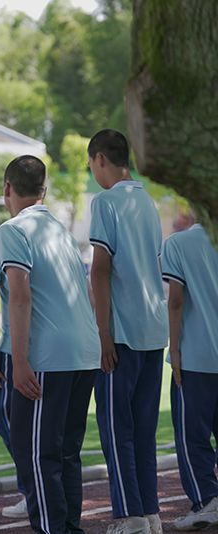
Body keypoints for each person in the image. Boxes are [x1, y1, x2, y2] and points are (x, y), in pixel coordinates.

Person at [0, 155, 100, 534]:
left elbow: (19, 294)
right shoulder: (61, 231)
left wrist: (20, 360)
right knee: (65, 452)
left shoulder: (12, 230)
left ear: (7, 189)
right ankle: (69, 526)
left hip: (46, 356)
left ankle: (54, 528)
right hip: (83, 352)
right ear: (44, 191)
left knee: (36, 454)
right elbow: (85, 291)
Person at [88, 129, 168, 534]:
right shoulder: (148, 202)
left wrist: (102, 332)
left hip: (121, 332)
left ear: (100, 158)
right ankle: (149, 513)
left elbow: (100, 269)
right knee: (143, 431)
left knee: (117, 430)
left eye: (91, 164)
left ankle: (129, 515)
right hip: (154, 329)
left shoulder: (105, 202)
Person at [161, 214, 218, 531]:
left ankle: (207, 501)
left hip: (197, 357)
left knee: (191, 436)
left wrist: (175, 350)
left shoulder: (178, 243)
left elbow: (176, 301)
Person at [0, 263, 30, 520]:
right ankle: (41, 493)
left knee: (9, 423)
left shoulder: (4, 245)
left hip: (14, 351)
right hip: (53, 352)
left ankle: (33, 492)